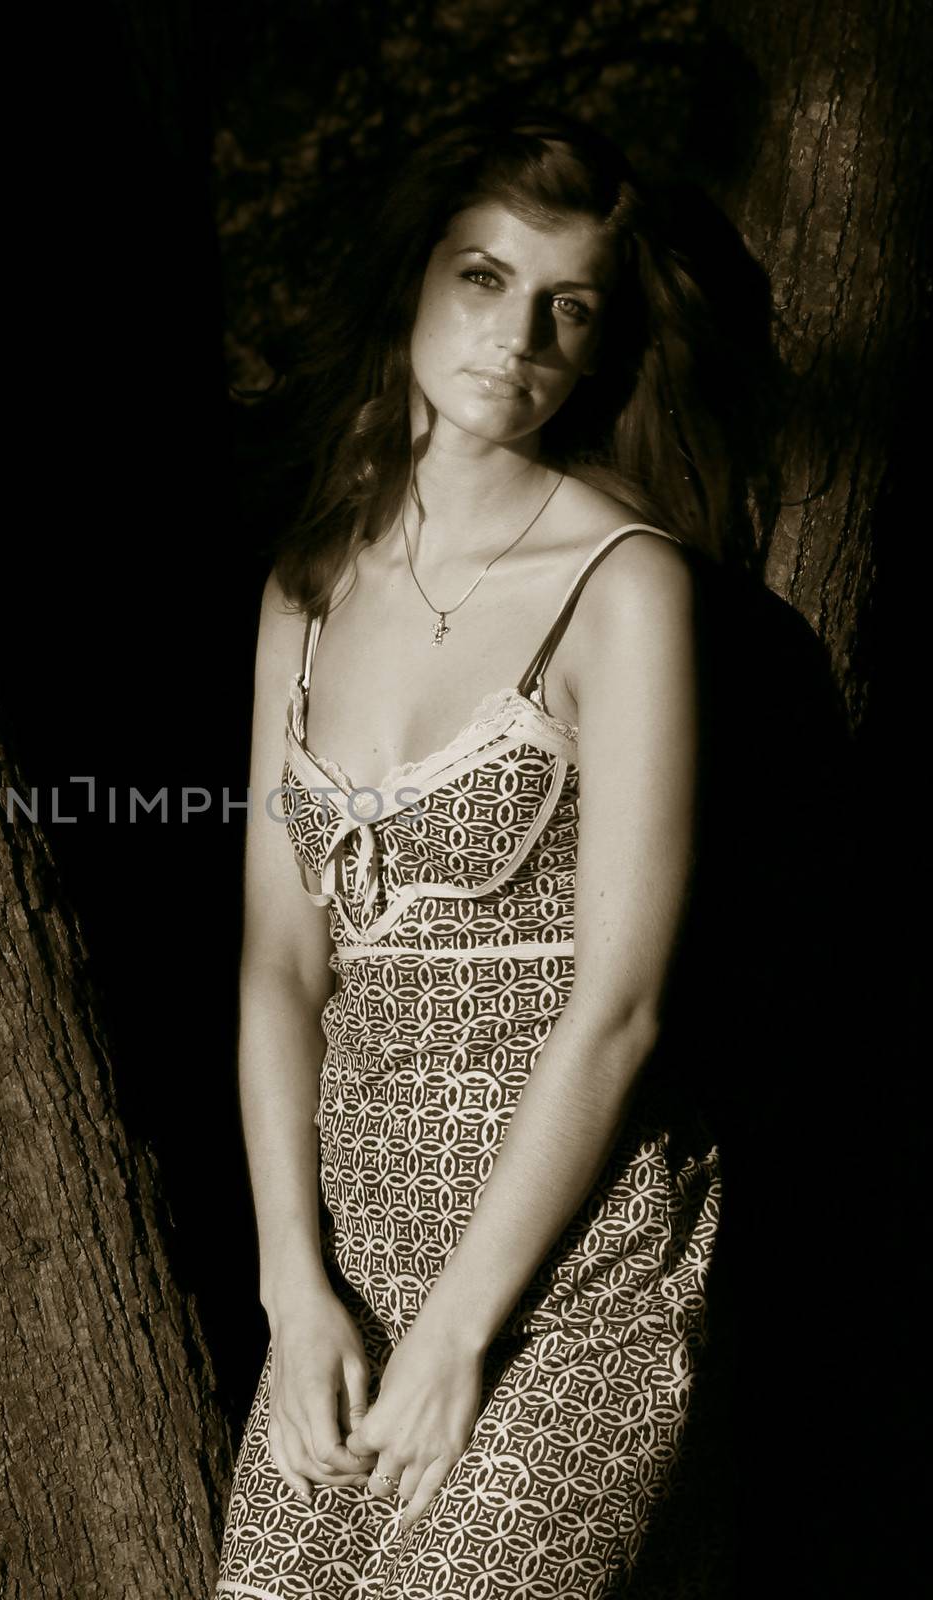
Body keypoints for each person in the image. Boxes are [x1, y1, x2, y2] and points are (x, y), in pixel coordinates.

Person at [215, 111, 740, 1598]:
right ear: (414, 284)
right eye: (484, 277)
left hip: (568, 1281)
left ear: (602, 349)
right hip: (353, 1279)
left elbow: (621, 1004)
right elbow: (278, 963)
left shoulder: (624, 589)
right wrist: (292, 1290)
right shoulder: (306, 593)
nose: (518, 334)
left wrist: (459, 1335)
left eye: (567, 307)